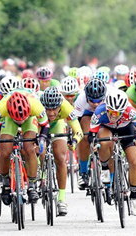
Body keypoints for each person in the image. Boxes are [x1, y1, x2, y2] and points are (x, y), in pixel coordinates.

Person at [89, 89, 136, 215]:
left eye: (117, 113)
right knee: (104, 142)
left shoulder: (130, 111)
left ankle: (133, 197)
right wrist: (94, 144)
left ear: (123, 110)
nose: (113, 115)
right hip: (106, 129)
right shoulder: (99, 111)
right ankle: (105, 168)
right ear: (107, 108)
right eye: (110, 112)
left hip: (126, 129)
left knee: (134, 162)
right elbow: (92, 135)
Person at [0, 89, 49, 205]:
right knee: (5, 150)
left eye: (22, 118)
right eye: (18, 119)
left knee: (29, 148)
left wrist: (41, 139)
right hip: (9, 119)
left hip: (30, 118)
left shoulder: (36, 105)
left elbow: (45, 125)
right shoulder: (2, 107)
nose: (20, 121)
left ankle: (31, 185)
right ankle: (6, 182)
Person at [40, 86, 83, 216]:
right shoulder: (38, 107)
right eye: (48, 108)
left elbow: (78, 131)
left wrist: (74, 141)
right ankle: (40, 174)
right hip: (40, 125)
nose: (51, 112)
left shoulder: (67, 108)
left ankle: (62, 199)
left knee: (60, 158)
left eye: (54, 108)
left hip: (57, 126)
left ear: (60, 105)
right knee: (39, 149)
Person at [73, 79, 110, 190]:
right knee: (84, 135)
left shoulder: (110, 96)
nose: (95, 104)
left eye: (99, 100)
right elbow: (76, 121)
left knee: (107, 140)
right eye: (92, 101)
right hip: (88, 116)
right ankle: (83, 172)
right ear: (86, 97)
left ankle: (108, 173)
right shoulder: (80, 99)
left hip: (107, 115)